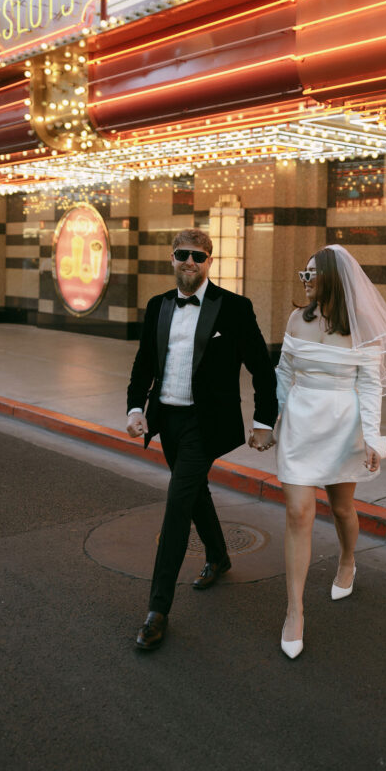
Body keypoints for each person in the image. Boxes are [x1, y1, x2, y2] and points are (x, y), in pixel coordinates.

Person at [126, 228, 277, 650]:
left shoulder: (234, 308)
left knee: (177, 505)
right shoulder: (158, 306)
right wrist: (136, 409)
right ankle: (219, 555)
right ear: (171, 259)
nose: (189, 262)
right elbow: (143, 363)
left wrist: (264, 420)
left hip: (205, 424)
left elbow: (262, 370)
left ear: (210, 261)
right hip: (167, 420)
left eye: (198, 256)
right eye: (182, 255)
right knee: (194, 494)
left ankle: (157, 610)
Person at [274, 244, 386, 658]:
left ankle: (348, 559)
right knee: (299, 512)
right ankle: (294, 611)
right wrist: (274, 420)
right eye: (305, 274)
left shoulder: (362, 328)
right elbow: (284, 372)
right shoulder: (298, 318)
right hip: (301, 423)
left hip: (342, 425)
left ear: (333, 279)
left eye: (313, 274)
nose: (307, 281)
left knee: (342, 508)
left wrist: (373, 437)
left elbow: (369, 386)